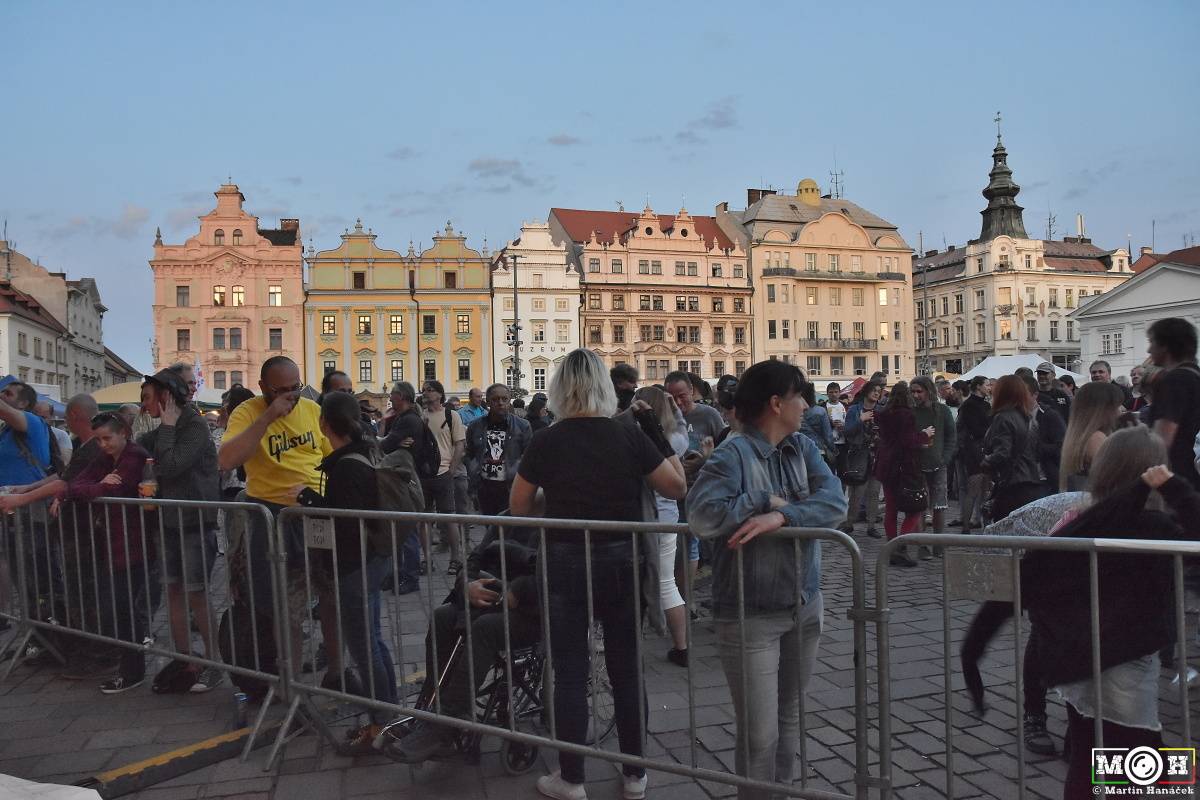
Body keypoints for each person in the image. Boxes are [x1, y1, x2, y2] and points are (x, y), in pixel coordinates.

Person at [510, 348, 685, 800]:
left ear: (559, 389)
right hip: (620, 558)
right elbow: (676, 486)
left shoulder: (547, 439)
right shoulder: (626, 435)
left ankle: (571, 779)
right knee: (626, 668)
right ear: (606, 388)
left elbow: (519, 506)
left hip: (566, 557)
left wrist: (558, 498)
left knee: (569, 671)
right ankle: (635, 774)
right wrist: (651, 429)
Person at [688, 360, 847, 800]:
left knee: (790, 716)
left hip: (804, 602)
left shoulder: (803, 447)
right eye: (800, 396)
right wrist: (758, 499)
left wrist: (782, 514)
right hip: (750, 611)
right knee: (759, 734)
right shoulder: (731, 454)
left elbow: (835, 503)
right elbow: (701, 516)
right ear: (777, 403)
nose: (806, 405)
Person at [1022, 428, 1200, 796]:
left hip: (1078, 663)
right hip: (1125, 663)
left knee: (1093, 753)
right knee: (1141, 765)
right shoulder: (1153, 529)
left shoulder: (1077, 517)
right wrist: (1175, 487)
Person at [218, 357, 347, 691]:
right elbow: (227, 459)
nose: (291, 397)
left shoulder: (310, 409)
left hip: (318, 512)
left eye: (296, 388)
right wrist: (269, 415)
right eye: (282, 391)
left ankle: (337, 671)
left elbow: (331, 455)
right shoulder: (248, 411)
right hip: (274, 515)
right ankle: (290, 683)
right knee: (286, 606)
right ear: (264, 388)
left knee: (332, 596)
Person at [294, 392, 397, 752]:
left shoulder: (346, 466)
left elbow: (346, 522)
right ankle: (389, 710)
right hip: (370, 559)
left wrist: (309, 500)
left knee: (364, 644)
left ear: (324, 424)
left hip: (355, 564)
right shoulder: (363, 453)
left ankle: (380, 720)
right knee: (373, 639)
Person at [394, 522, 542, 764]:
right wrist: (467, 585)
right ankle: (432, 704)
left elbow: (558, 574)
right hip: (495, 600)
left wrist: (518, 590)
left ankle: (451, 719)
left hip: (533, 611)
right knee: (442, 617)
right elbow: (475, 558)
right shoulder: (507, 517)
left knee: (485, 629)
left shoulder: (556, 520)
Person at [138, 368, 223, 692]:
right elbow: (139, 451)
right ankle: (186, 660)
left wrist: (169, 428)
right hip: (168, 520)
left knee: (197, 593)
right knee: (173, 591)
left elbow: (172, 465)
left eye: (148, 398)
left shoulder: (193, 425)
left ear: (167, 396)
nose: (144, 405)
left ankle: (215, 664)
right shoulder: (163, 429)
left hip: (193, 522)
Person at [65, 412, 150, 693]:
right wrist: (101, 485)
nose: (103, 445)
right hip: (111, 543)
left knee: (123, 607)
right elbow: (75, 485)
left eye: (107, 438)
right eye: (99, 439)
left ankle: (132, 670)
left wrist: (96, 488)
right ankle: (131, 664)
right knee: (118, 606)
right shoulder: (105, 459)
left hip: (131, 542)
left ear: (123, 433)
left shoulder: (134, 455)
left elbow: (122, 486)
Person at [627, 386, 690, 667]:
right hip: (668, 517)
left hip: (643, 517)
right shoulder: (676, 438)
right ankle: (682, 645)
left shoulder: (637, 438)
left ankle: (625, 641)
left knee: (632, 583)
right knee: (666, 583)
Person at [873, 381, 931, 567]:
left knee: (891, 509)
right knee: (915, 508)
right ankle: (900, 547)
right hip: (903, 467)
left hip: (886, 465)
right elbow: (908, 441)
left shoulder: (883, 414)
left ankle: (892, 546)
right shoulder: (906, 414)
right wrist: (924, 434)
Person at [379, 381, 425, 594]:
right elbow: (390, 442)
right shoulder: (402, 418)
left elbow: (386, 445)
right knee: (398, 530)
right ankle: (396, 574)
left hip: (404, 480)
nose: (390, 397)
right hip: (398, 478)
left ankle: (410, 577)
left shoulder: (409, 420)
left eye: (393, 394)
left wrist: (388, 441)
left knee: (407, 532)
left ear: (403, 397)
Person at [980, 375, 1045, 522]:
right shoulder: (1027, 418)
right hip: (1031, 481)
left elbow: (1003, 453)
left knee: (1005, 531)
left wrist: (985, 461)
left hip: (1013, 484)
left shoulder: (1003, 417)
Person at [420, 380, 468, 575]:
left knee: (449, 517)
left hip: (443, 472)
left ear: (440, 394)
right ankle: (427, 559)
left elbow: (460, 444)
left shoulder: (451, 415)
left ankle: (455, 558)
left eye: (429, 389)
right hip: (423, 473)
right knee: (423, 519)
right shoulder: (419, 416)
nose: (425, 393)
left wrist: (452, 468)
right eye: (423, 390)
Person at [1147, 317, 1200, 489]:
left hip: (1178, 478)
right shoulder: (1195, 375)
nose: (1149, 349)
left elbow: (1162, 440)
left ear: (1165, 346)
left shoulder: (1174, 380)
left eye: (1152, 342)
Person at [464, 383, 531, 517]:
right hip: (484, 487)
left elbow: (529, 457)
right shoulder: (475, 426)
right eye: (495, 399)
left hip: (510, 487)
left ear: (509, 400)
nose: (500, 403)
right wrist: (473, 474)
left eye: (504, 399)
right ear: (488, 402)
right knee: (490, 527)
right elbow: (469, 454)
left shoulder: (522, 426)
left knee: (510, 529)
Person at [910, 376, 956, 560]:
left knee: (939, 505)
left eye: (919, 391)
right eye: (912, 391)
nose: (915, 395)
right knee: (919, 506)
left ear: (928, 391)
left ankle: (939, 544)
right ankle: (922, 545)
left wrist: (945, 458)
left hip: (938, 465)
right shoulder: (910, 412)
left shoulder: (942, 411)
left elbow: (951, 437)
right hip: (916, 465)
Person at [1059, 381, 1125, 491]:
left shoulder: (1081, 437)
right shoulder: (1096, 439)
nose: (1121, 411)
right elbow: (1116, 478)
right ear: (1103, 410)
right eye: (1117, 406)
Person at [842, 381, 883, 538]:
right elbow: (847, 432)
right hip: (860, 455)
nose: (876, 393)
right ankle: (849, 523)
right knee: (857, 492)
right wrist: (861, 419)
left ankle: (871, 525)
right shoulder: (854, 409)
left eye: (879, 391)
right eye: (874, 390)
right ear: (866, 392)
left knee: (874, 492)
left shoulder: (880, 410)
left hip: (877, 455)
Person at [955, 377, 992, 533]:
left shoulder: (985, 404)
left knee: (985, 489)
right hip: (974, 451)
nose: (989, 387)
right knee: (974, 488)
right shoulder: (969, 405)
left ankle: (984, 523)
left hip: (984, 449)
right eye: (987, 384)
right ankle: (966, 525)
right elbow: (975, 429)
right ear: (978, 387)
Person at [34, 401, 72, 466]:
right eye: (36, 417)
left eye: (43, 417)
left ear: (50, 417)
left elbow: (64, 464)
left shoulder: (61, 435)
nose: (39, 420)